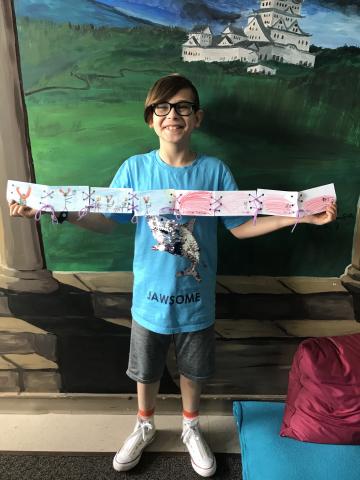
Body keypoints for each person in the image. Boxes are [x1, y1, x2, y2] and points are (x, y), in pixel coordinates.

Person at [9, 74, 337, 477]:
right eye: (162, 108)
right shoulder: (135, 168)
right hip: (149, 298)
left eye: (182, 107)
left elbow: (240, 225)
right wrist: (50, 210)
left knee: (194, 369)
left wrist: (302, 215)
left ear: (197, 118)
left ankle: (190, 426)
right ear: (151, 119)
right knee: (145, 369)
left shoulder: (215, 171)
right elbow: (106, 220)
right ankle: (144, 424)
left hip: (197, 298)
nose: (172, 115)